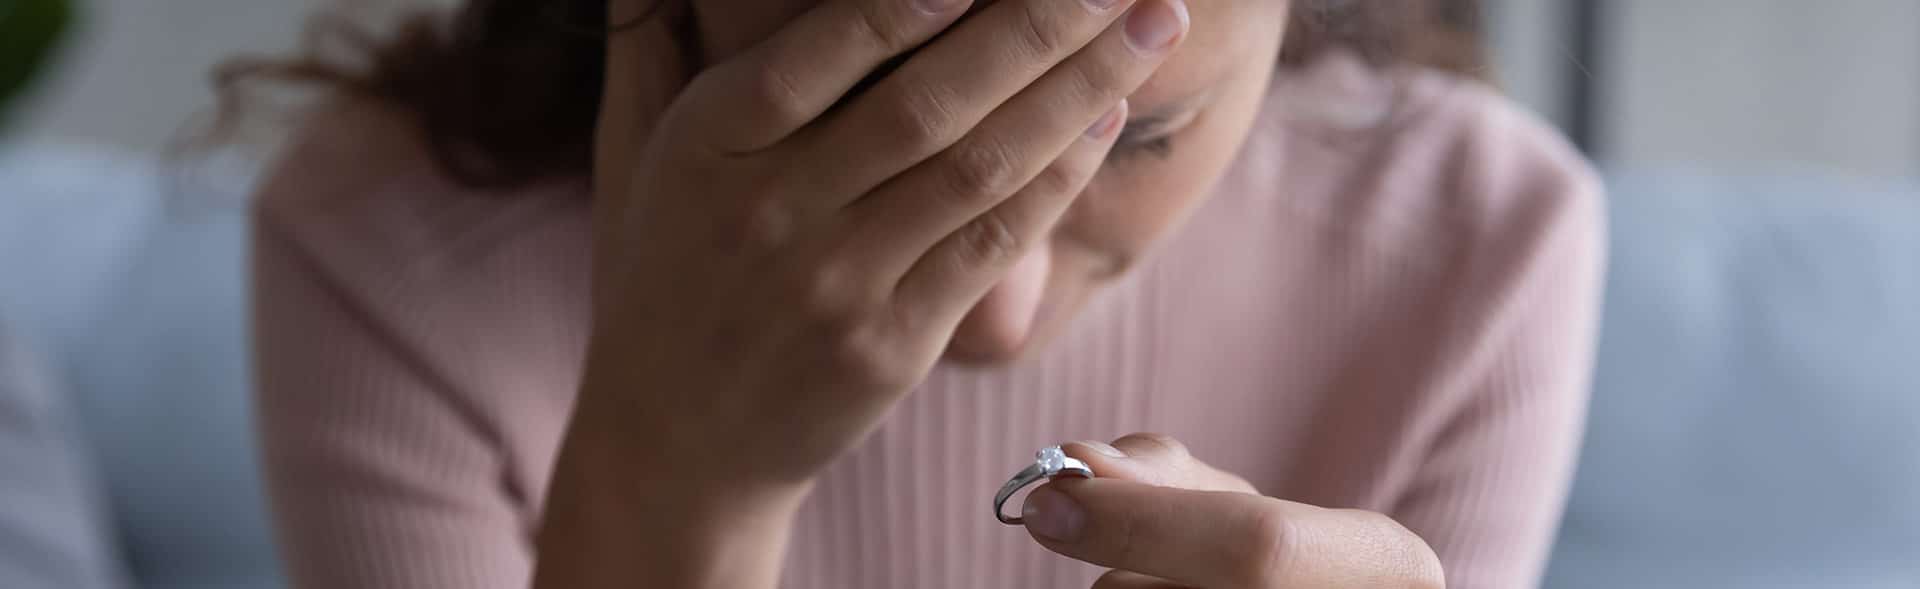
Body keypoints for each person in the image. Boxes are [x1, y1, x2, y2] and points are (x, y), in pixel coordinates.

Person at [247, 0, 1604, 587]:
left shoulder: (1479, 251)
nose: (996, 310)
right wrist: (675, 475)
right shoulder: (385, 256)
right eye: (856, 119)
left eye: (1135, 136)